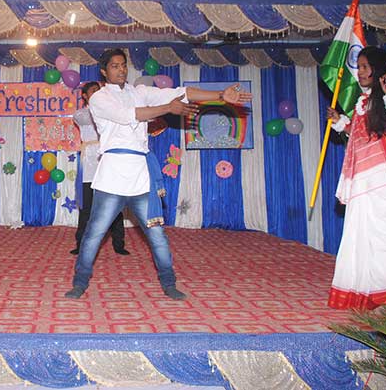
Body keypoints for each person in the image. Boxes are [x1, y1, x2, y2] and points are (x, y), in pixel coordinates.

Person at [65, 48, 252, 300]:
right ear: (104, 72)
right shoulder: (99, 98)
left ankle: (169, 283)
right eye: (115, 66)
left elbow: (182, 93)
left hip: (141, 177)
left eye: (123, 65)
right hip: (111, 175)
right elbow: (129, 115)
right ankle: (79, 283)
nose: (121, 70)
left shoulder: (140, 92)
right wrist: (168, 108)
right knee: (95, 233)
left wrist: (220, 95)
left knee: (157, 234)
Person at [326, 46, 386, 311]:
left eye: (364, 67)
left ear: (381, 69)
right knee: (362, 239)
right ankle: (365, 293)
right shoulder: (363, 101)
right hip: (364, 183)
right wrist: (341, 122)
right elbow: (364, 137)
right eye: (358, 67)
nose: (359, 72)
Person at [71, 81, 128, 256]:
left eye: (99, 91)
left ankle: (119, 243)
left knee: (113, 205)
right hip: (89, 163)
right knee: (86, 207)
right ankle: (81, 244)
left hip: (107, 161)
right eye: (93, 91)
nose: (97, 94)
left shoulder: (109, 111)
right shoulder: (81, 114)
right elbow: (92, 118)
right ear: (85, 96)